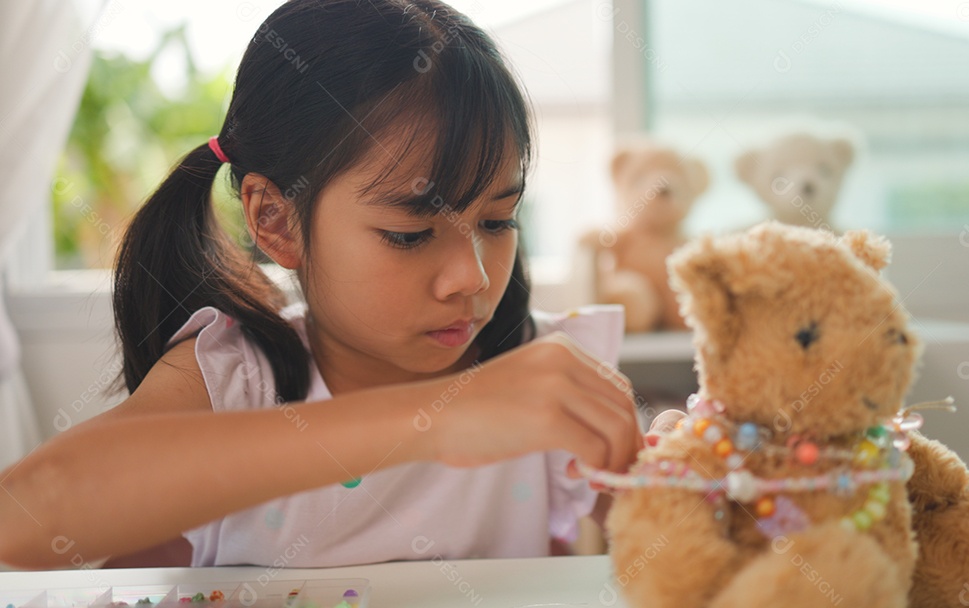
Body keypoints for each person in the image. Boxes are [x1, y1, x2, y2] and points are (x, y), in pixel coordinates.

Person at [0, 0, 648, 569]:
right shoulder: (239, 379)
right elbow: (23, 521)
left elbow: (671, 554)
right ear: (276, 220)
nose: (471, 277)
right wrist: (439, 420)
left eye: (499, 220)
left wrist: (693, 484)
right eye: (410, 234)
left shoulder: (542, 379)